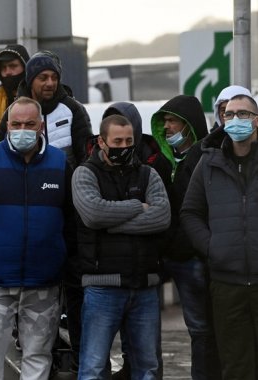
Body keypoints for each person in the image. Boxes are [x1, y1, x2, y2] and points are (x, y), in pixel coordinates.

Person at [0, 97, 72, 379]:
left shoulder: (60, 164)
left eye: (30, 124)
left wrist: (60, 251)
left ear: (41, 126)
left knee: (38, 354)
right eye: (17, 124)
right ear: (7, 126)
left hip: (44, 279)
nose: (23, 129)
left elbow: (72, 216)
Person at [72, 114, 170, 380]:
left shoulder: (148, 174)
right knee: (93, 368)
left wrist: (112, 224)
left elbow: (161, 217)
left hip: (144, 286)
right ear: (102, 142)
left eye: (129, 141)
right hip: (103, 286)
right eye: (117, 141)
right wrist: (138, 206)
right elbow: (93, 213)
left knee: (147, 367)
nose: (124, 147)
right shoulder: (84, 174)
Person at [180, 94, 258, 380]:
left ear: (256, 121)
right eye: (230, 114)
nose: (236, 120)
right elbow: (190, 212)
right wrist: (213, 248)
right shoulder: (208, 163)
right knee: (236, 366)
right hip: (227, 284)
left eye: (244, 114)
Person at [150, 95, 221, 380]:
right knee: (146, 328)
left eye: (172, 121)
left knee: (200, 328)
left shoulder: (205, 159)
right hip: (162, 255)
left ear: (189, 125)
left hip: (192, 257)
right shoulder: (161, 162)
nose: (167, 127)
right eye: (164, 121)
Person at [0, 52, 93, 168]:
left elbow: (86, 155)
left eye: (54, 78)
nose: (50, 83)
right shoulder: (15, 110)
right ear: (31, 81)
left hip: (65, 182)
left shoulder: (72, 108)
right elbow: (0, 153)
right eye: (43, 78)